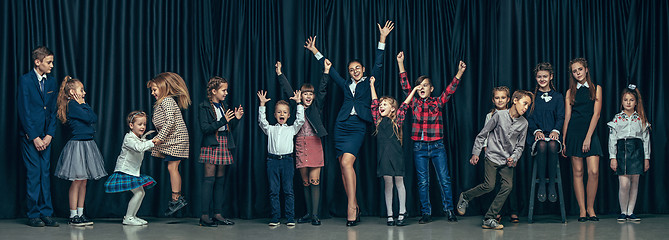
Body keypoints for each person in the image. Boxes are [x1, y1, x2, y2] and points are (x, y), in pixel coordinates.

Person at [303, 20, 394, 226]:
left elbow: (378, 63)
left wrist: (382, 39)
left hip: (358, 127)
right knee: (344, 169)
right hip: (341, 126)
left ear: (362, 69)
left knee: (347, 163)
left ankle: (351, 207)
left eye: (357, 68)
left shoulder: (369, 81)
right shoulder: (345, 84)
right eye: (351, 69)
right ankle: (355, 205)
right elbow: (330, 68)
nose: (354, 71)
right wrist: (315, 50)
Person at [397, 51, 466, 223]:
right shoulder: (413, 102)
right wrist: (400, 63)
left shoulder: (437, 102)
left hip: (437, 146)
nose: (422, 88)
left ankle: (449, 210)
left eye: (425, 85)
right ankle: (426, 213)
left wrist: (459, 73)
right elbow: (405, 86)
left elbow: (450, 91)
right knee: (423, 182)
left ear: (431, 88)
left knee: (444, 179)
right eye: (419, 85)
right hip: (419, 147)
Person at [456, 90, 534, 230]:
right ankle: (466, 196)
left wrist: (514, 157)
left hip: (507, 161)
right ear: (515, 101)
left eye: (528, 105)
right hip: (492, 156)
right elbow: (482, 135)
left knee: (507, 186)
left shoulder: (524, 123)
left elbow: (520, 146)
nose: (526, 108)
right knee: (489, 185)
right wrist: (476, 153)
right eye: (524, 103)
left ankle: (489, 218)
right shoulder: (498, 115)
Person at [276, 60, 331, 225]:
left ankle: (315, 215)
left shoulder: (317, 106)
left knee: (315, 181)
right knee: (305, 181)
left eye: (310, 94)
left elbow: (322, 89)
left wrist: (326, 72)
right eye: (305, 93)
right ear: (301, 95)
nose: (308, 96)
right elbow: (287, 89)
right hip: (300, 144)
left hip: (314, 144)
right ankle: (308, 213)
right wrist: (279, 73)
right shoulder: (296, 105)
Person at [54, 76, 108, 226]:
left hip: (88, 144)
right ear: (72, 92)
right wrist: (83, 105)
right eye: (81, 90)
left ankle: (81, 213)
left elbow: (94, 117)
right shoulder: (72, 105)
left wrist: (84, 104)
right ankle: (73, 215)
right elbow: (87, 117)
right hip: (77, 146)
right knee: (77, 181)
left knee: (83, 181)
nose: (84, 92)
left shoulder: (81, 104)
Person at [17, 46, 60, 227]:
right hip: (31, 137)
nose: (51, 65)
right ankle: (33, 214)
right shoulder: (25, 81)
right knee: (34, 174)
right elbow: (24, 110)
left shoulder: (51, 82)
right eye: (48, 62)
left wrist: (49, 134)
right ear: (38, 62)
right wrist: (34, 137)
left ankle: (46, 213)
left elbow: (53, 111)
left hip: (46, 137)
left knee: (45, 174)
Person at [197, 77, 243, 227]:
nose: (226, 93)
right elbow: (205, 129)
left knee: (220, 181)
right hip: (211, 144)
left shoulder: (224, 105)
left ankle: (217, 214)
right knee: (209, 180)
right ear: (214, 91)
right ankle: (204, 216)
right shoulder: (204, 106)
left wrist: (236, 119)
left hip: (224, 143)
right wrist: (224, 120)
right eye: (224, 90)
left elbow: (228, 127)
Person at [562, 58, 603, 222]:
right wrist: (564, 140)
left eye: (580, 69)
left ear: (586, 69)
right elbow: (567, 117)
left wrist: (588, 137)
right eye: (574, 71)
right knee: (577, 173)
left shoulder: (596, 88)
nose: (577, 73)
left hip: (590, 134)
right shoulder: (569, 92)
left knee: (593, 171)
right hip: (573, 133)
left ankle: (590, 208)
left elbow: (597, 114)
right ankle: (582, 211)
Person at [257, 89, 305, 226]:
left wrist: (298, 103)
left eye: (284, 112)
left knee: (288, 190)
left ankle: (290, 218)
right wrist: (262, 105)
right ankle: (275, 218)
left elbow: (300, 120)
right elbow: (262, 121)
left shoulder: (292, 129)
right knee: (274, 191)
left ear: (289, 115)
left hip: (287, 161)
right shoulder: (270, 129)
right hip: (272, 161)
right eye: (279, 112)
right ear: (275, 114)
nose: (281, 114)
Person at [147, 72, 191, 216]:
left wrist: (159, 138)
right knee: (172, 167)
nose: (153, 93)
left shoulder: (167, 101)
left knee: (172, 167)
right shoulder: (162, 102)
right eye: (152, 90)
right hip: (172, 138)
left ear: (163, 87)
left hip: (176, 139)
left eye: (155, 89)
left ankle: (176, 199)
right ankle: (176, 199)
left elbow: (170, 122)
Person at [104, 111, 159, 225]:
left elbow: (145, 146)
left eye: (144, 124)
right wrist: (153, 141)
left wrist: (157, 144)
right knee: (139, 193)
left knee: (141, 192)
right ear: (131, 125)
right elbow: (139, 147)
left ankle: (132, 216)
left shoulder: (140, 139)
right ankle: (128, 217)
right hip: (125, 170)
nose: (143, 126)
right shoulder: (129, 138)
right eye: (140, 124)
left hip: (132, 171)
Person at [370, 76, 411, 226]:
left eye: (385, 104)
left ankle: (402, 212)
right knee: (388, 183)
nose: (381, 106)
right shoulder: (378, 120)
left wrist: (412, 90)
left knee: (399, 182)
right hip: (383, 157)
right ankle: (390, 215)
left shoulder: (397, 120)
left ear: (392, 108)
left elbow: (406, 105)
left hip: (396, 156)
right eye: (381, 104)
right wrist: (372, 84)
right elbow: (374, 103)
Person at [608, 85, 651, 222]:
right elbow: (612, 139)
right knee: (624, 184)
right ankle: (623, 211)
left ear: (636, 102)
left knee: (635, 182)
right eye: (625, 100)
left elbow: (646, 140)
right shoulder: (617, 118)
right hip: (622, 151)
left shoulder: (640, 119)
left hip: (637, 152)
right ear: (622, 101)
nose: (628, 102)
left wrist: (646, 158)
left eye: (631, 100)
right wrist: (613, 157)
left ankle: (630, 212)